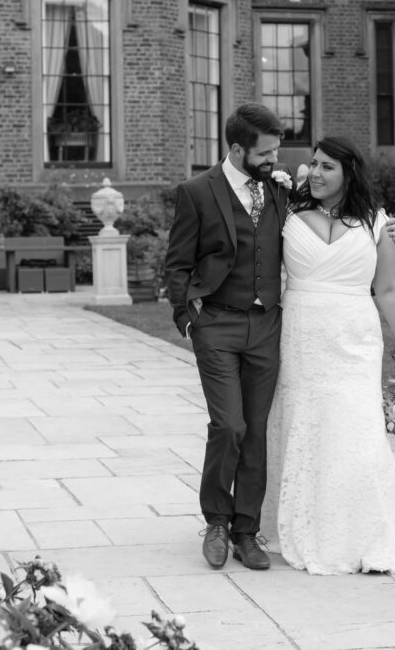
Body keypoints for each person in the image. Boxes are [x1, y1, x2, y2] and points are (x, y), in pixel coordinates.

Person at [260, 135, 395, 575]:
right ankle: (304, 522)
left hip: (355, 339)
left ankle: (365, 531)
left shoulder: (377, 224)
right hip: (301, 338)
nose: (315, 172)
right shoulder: (286, 213)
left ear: (349, 173)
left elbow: (387, 288)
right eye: (313, 164)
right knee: (304, 427)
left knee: (358, 430)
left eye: (327, 166)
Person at [165, 103, 288, 571]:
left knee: (255, 431)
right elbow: (177, 262)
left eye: (275, 151)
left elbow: (330, 212)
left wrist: (380, 225)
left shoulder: (278, 190)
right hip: (216, 323)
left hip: (267, 325)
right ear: (237, 150)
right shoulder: (197, 191)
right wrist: (187, 318)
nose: (273, 160)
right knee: (229, 426)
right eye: (265, 153)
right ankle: (216, 521)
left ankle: (246, 531)